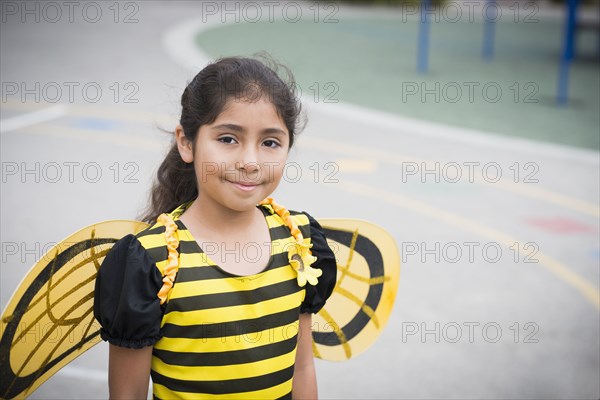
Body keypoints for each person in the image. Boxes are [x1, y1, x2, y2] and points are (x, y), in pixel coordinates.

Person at [93, 55, 338, 400]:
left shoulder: (300, 240)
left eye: (270, 142)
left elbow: (302, 368)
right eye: (228, 139)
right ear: (187, 142)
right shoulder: (150, 262)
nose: (250, 163)